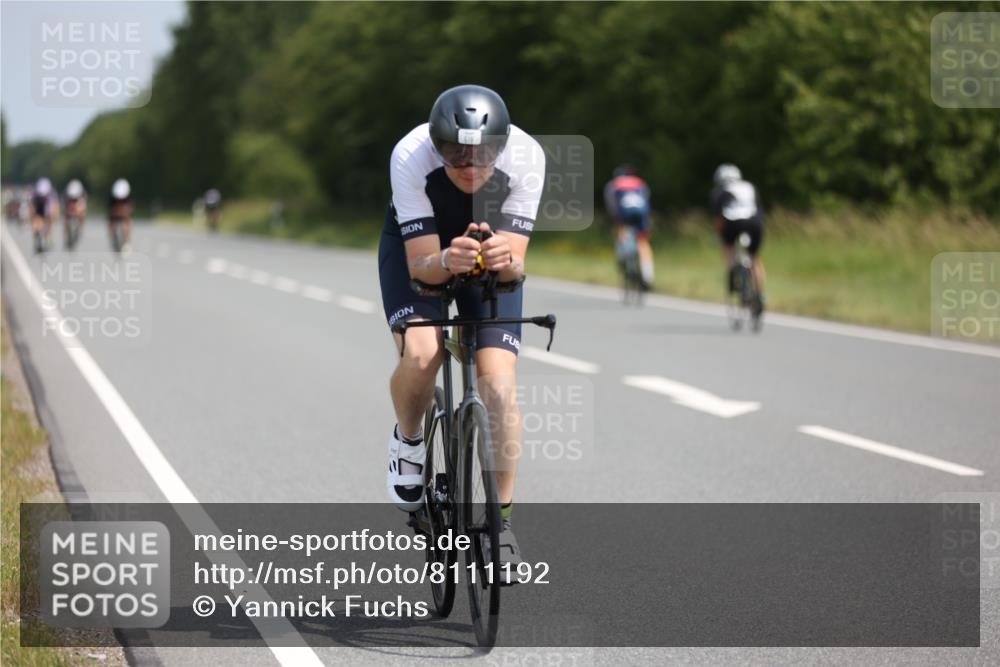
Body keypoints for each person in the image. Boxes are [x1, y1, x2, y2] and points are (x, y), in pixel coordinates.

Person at [379, 84, 544, 574]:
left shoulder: (527, 156)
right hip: (424, 252)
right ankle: (408, 440)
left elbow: (515, 266)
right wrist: (447, 260)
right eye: (455, 154)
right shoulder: (410, 155)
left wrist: (505, 259)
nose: (470, 166)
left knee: (498, 386)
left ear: (503, 143)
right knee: (422, 354)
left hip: (485, 254)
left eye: (484, 153)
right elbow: (421, 266)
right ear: (435, 143)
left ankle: (502, 524)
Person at [710, 164, 765, 314]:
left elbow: (719, 219)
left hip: (733, 222)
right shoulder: (749, 186)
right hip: (755, 223)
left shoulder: (720, 191)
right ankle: (760, 295)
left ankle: (733, 268)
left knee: (727, 246)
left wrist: (720, 236)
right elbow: (759, 209)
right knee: (754, 259)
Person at [604, 165, 654, 290]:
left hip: (624, 213)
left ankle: (623, 259)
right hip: (641, 213)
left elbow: (612, 206)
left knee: (621, 233)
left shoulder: (613, 184)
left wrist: (615, 221)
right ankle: (648, 275)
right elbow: (646, 199)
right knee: (643, 242)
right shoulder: (640, 182)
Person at [30, 177, 59, 253]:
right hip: (39, 209)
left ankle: (48, 237)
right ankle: (37, 240)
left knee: (49, 219)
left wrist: (54, 216)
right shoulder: (35, 194)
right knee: (36, 226)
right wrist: (32, 218)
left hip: (48, 207)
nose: (42, 196)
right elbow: (32, 207)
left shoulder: (52, 194)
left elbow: (55, 206)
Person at [108, 178, 133, 252]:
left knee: (128, 222)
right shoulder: (112, 198)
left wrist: (125, 213)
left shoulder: (128, 198)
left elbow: (130, 209)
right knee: (111, 223)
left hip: (124, 215)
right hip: (114, 215)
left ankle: (127, 240)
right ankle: (113, 238)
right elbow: (109, 210)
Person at [63, 179, 87, 249]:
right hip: (68, 208)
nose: (73, 199)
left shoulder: (82, 195)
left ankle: (80, 228)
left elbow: (83, 207)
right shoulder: (67, 194)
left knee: (82, 215)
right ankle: (66, 235)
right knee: (66, 218)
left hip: (79, 206)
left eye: (74, 198)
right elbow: (65, 206)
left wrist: (80, 212)